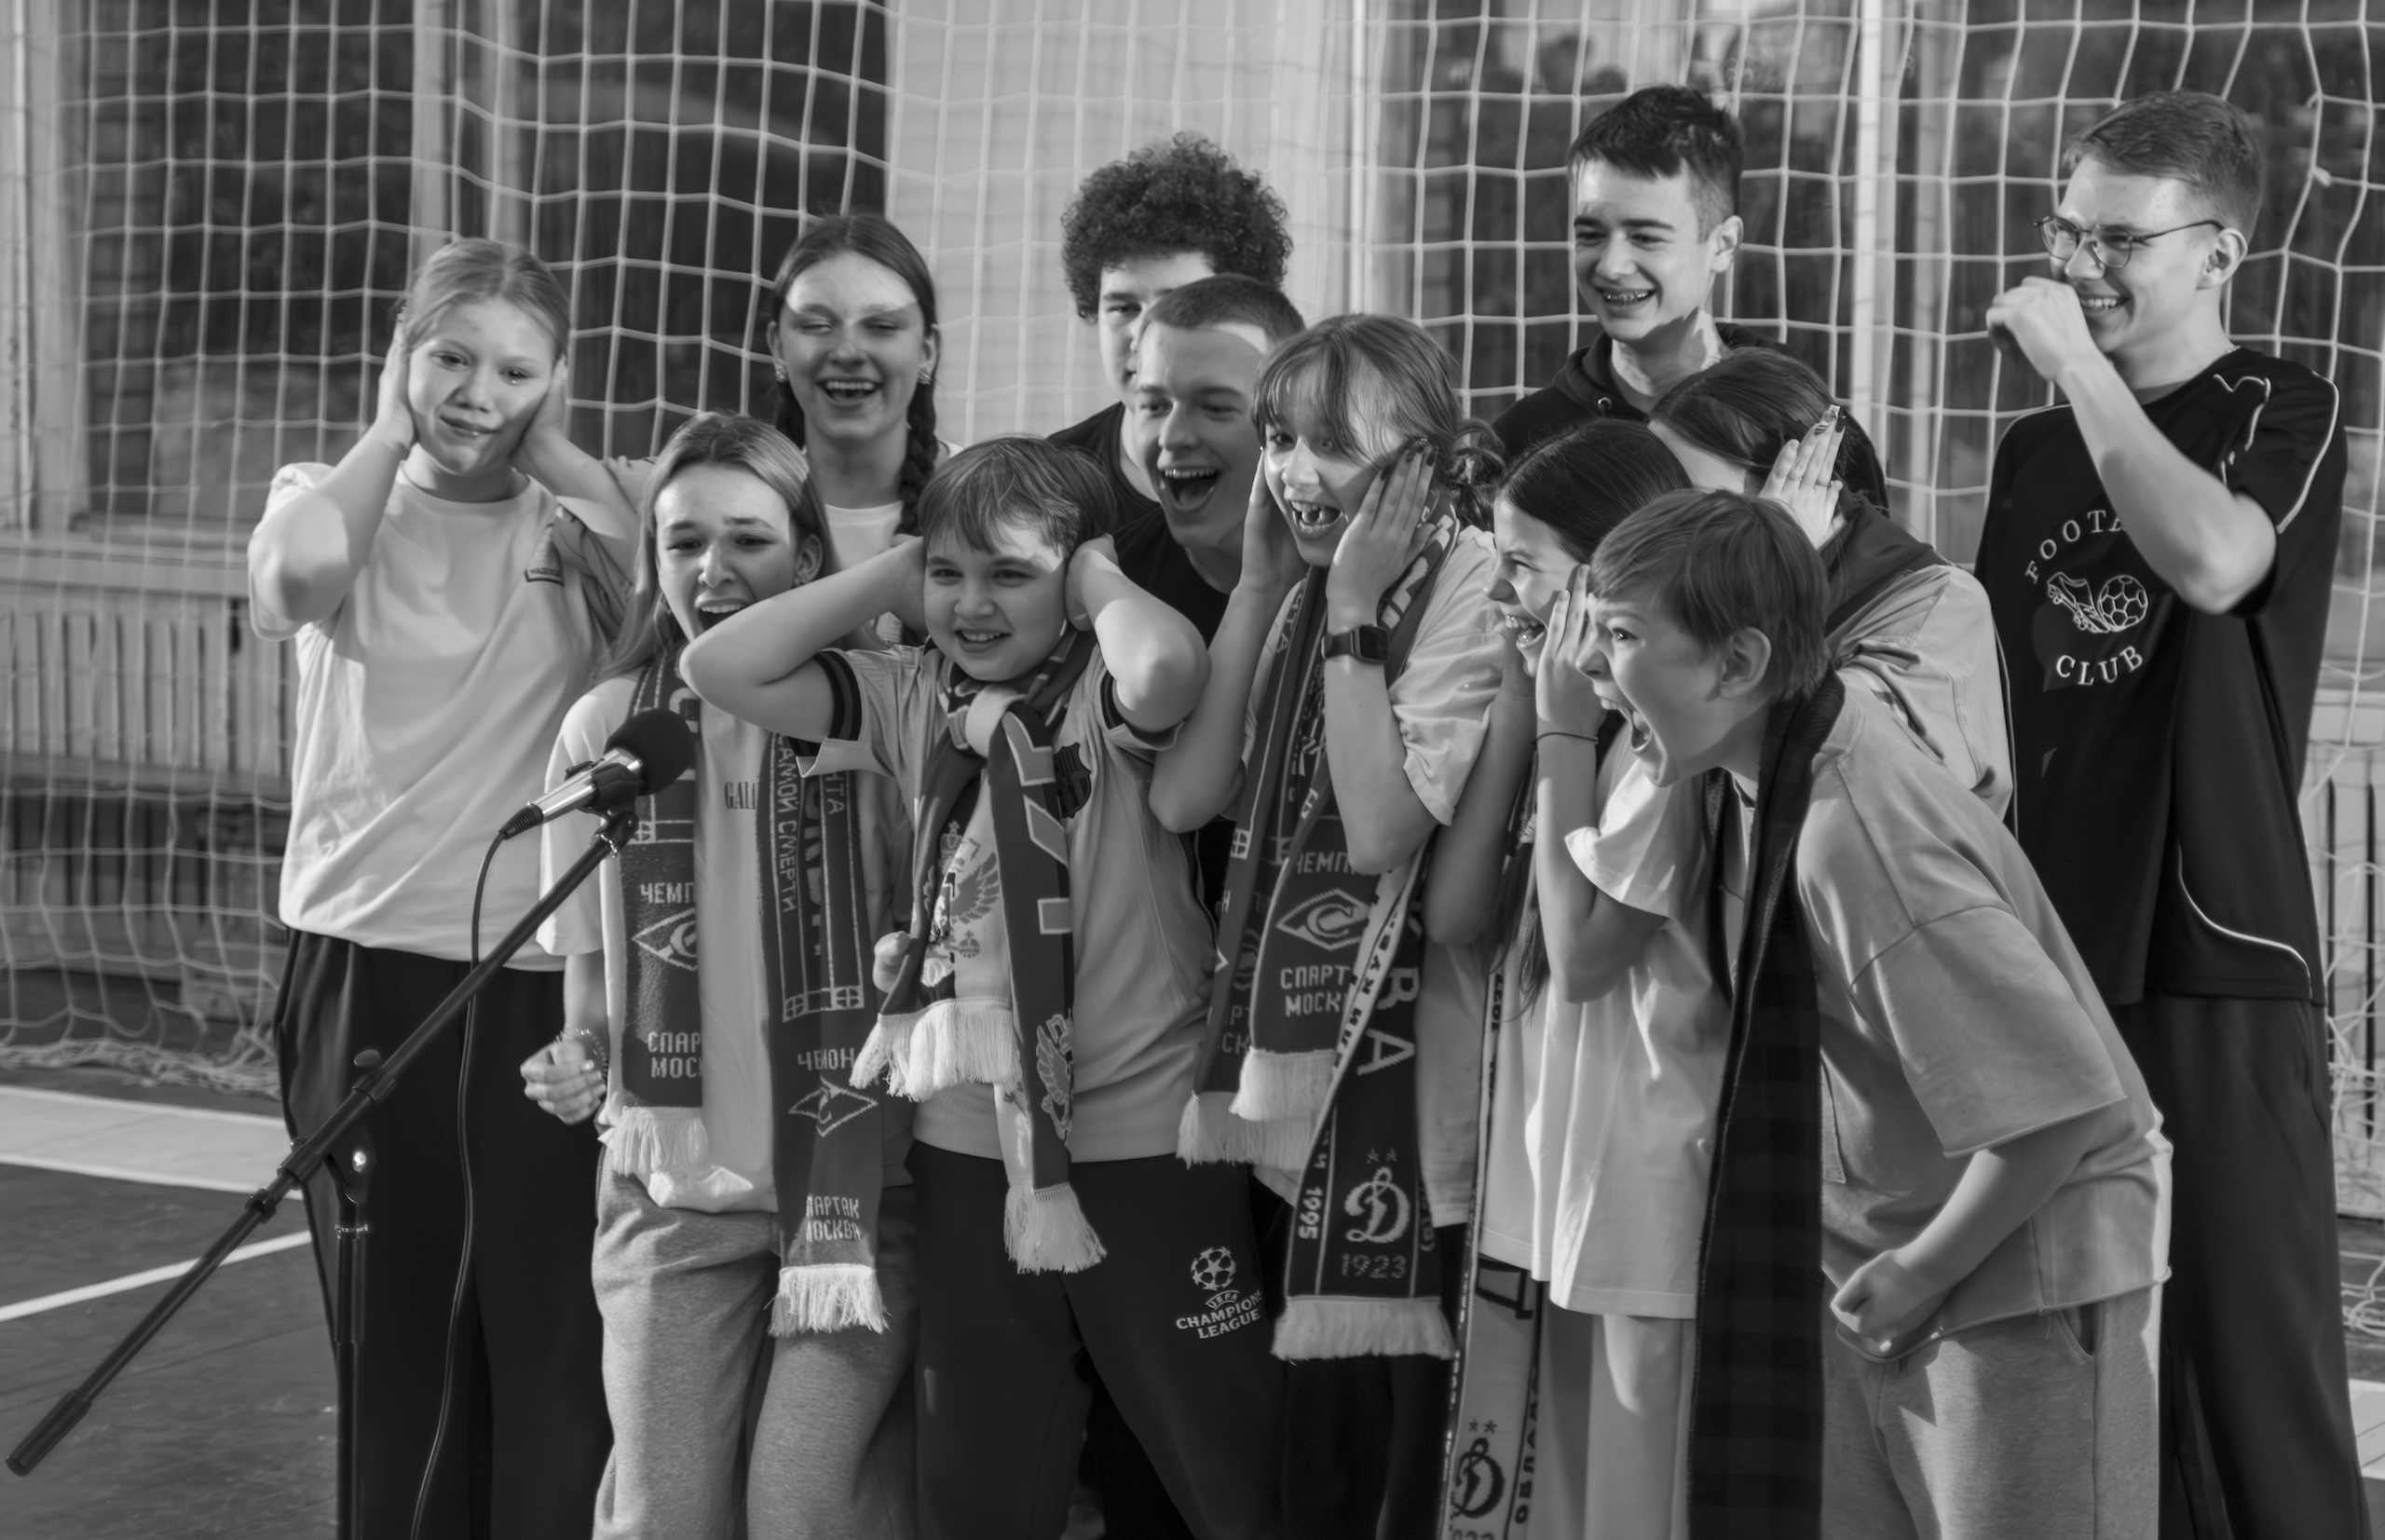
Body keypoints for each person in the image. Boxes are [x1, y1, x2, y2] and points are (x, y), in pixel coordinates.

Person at [679, 438, 1287, 1540]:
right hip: (970, 1141)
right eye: (949, 574)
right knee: (978, 1482)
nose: (970, 604)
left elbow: (1165, 670)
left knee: (1225, 1462)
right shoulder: (912, 693)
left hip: (1145, 1134)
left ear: (1077, 581)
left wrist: (1096, 574)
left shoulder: (1101, 692)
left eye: (1009, 574)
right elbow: (718, 667)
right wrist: (891, 572)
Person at [1586, 488, 2169, 1539]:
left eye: (1621, 634)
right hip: (1893, 1274)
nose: (1588, 663)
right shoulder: (1759, 771)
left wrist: (1921, 1270)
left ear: (1738, 663)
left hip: (2005, 1278)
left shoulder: (1851, 827)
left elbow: (2057, 1106)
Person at [1974, 90, 2361, 1537]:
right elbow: (1999, 704)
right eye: (2066, 233)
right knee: (2076, 1378)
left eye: (2118, 242)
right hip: (2051, 953)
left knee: (2250, 1381)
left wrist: (2080, 370)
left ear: (2219, 254)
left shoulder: (2280, 404)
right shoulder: (2030, 454)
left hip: (2212, 949)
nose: (2080, 267)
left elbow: (2213, 562)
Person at [248, 238, 634, 1539]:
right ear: (402, 355)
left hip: (540, 982)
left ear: (558, 380)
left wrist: (559, 453)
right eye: (451, 357)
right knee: (396, 1341)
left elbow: (678, 604)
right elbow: (293, 582)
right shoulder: (328, 497)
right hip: (361, 968)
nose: (478, 393)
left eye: (516, 370)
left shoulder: (582, 520)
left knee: (550, 1344)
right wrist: (382, 432)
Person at [517, 414, 917, 1537]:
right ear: (652, 562)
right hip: (673, 1203)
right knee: (661, 1517)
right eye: (684, 541)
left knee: (800, 1510)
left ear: (807, 554)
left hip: (851, 1194)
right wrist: (574, 1059)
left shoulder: (881, 708)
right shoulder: (609, 728)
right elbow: (590, 999)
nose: (713, 569)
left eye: (747, 539)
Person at [1150, 315, 1506, 1540]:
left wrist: (1352, 614)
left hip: (1419, 1132)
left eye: (1333, 445)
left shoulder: (1470, 585)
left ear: (1427, 464)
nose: (1294, 473)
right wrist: (1261, 588)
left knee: (1401, 1501)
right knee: (1317, 1494)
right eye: (1280, 440)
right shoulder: (1302, 595)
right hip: (1298, 1127)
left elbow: (1378, 830)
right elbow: (1186, 797)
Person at [1424, 420, 1710, 1540]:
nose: (1498, 590)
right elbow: (1457, 915)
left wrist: (1557, 735)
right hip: (1553, 1186)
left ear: (1604, 576)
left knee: (1635, 1504)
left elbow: (1584, 959)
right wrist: (1526, 714)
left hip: (1644, 1192)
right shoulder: (1576, 728)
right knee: (1559, 1502)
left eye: (1522, 566)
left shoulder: (1665, 749)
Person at [1647, 348, 2010, 812]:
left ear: (1799, 477)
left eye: (1688, 500)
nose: (1653, 524)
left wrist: (1773, 568)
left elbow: (1831, 766)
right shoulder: (1681, 591)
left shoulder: (1937, 605)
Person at [1052, 133, 1293, 638]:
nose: (1145, 333)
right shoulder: (1049, 484)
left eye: (1178, 304)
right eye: (1122, 307)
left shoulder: (1317, 491)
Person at [1129, 273, 1309, 907]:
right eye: (1154, 405)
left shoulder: (1361, 569)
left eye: (1216, 407)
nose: (1174, 436)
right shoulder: (1113, 582)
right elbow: (1177, 805)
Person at [1491, 85, 1771, 458]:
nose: (1611, 266)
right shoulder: (1521, 441)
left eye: (1645, 237)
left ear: (1723, 245)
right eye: (1591, 234)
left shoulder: (1791, 425)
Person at [768, 213, 950, 577]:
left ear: (927, 352)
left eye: (881, 326)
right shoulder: (732, 507)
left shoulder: (990, 501)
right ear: (777, 347)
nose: (847, 352)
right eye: (817, 325)